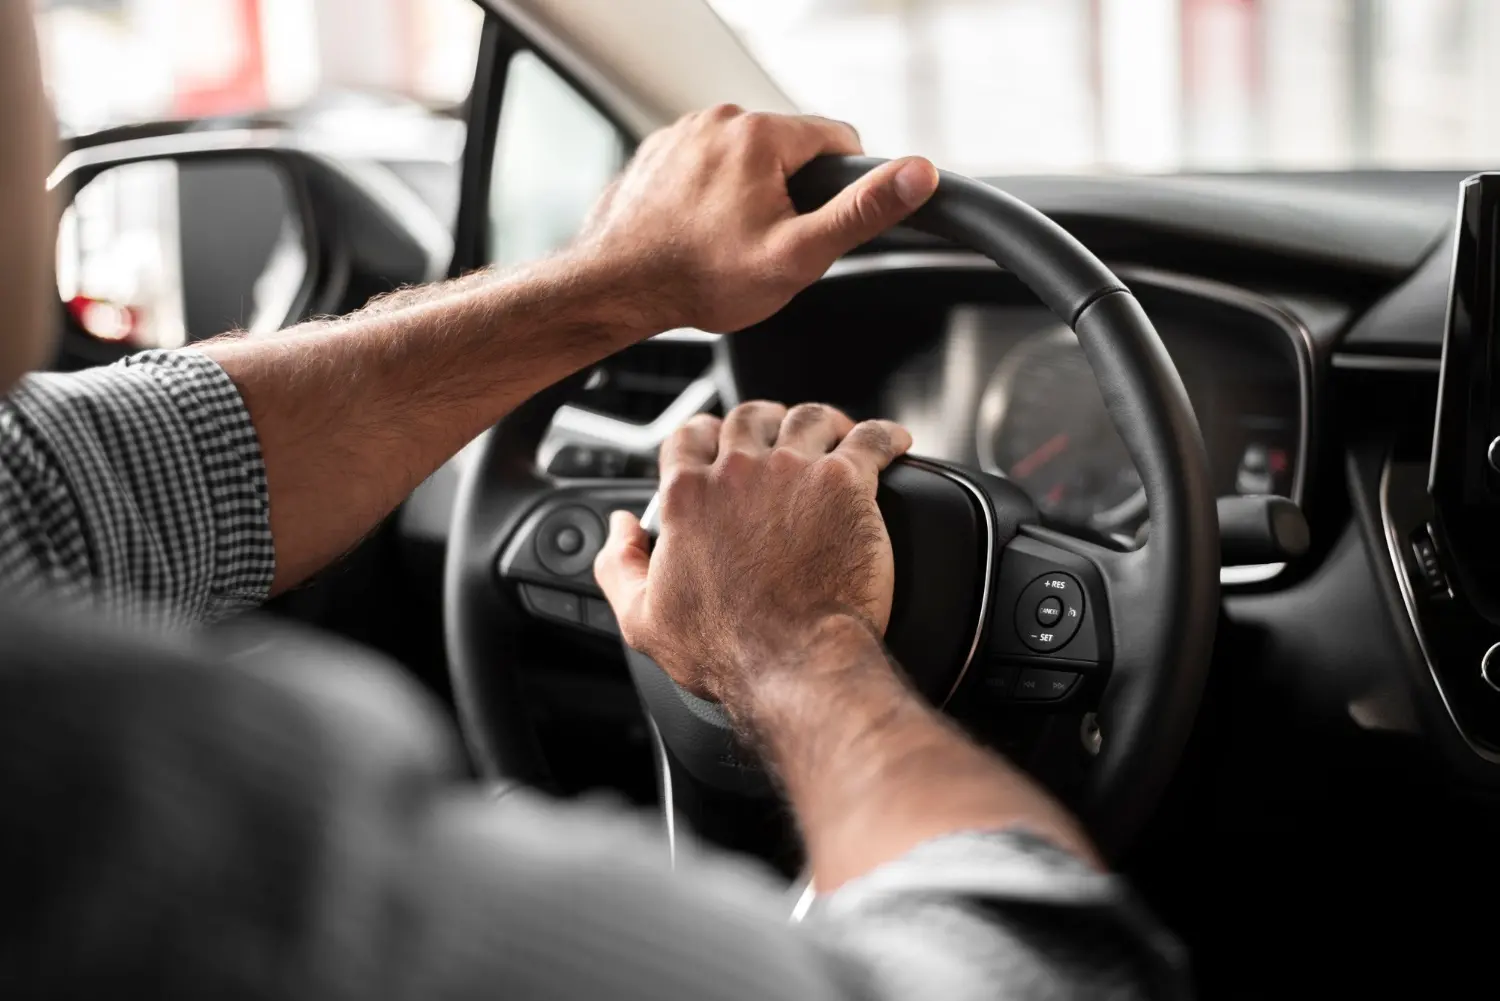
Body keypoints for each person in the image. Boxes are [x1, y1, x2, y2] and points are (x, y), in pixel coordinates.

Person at [0, 2, 1185, 997]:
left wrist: (622, 281)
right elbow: (1034, 972)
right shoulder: (116, 802)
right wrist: (788, 638)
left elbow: (105, 482)